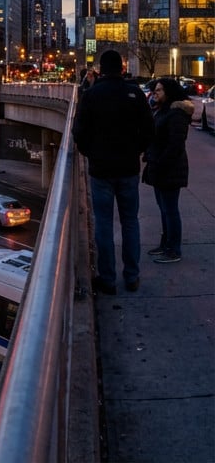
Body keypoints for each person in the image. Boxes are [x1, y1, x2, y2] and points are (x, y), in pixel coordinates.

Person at [73, 49, 155, 294]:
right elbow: (149, 131)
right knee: (131, 222)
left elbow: (79, 133)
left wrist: (92, 153)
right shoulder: (135, 94)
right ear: (121, 68)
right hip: (128, 169)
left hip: (101, 171)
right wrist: (135, 151)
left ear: (101, 69)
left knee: (104, 224)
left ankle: (107, 278)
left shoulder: (92, 95)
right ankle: (132, 276)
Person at [143, 77, 193, 264]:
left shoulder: (176, 115)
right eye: (155, 91)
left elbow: (175, 145)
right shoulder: (162, 110)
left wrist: (160, 161)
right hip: (160, 166)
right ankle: (165, 244)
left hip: (170, 169)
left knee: (171, 210)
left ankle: (174, 249)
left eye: (159, 91)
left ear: (169, 92)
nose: (156, 94)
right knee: (164, 209)